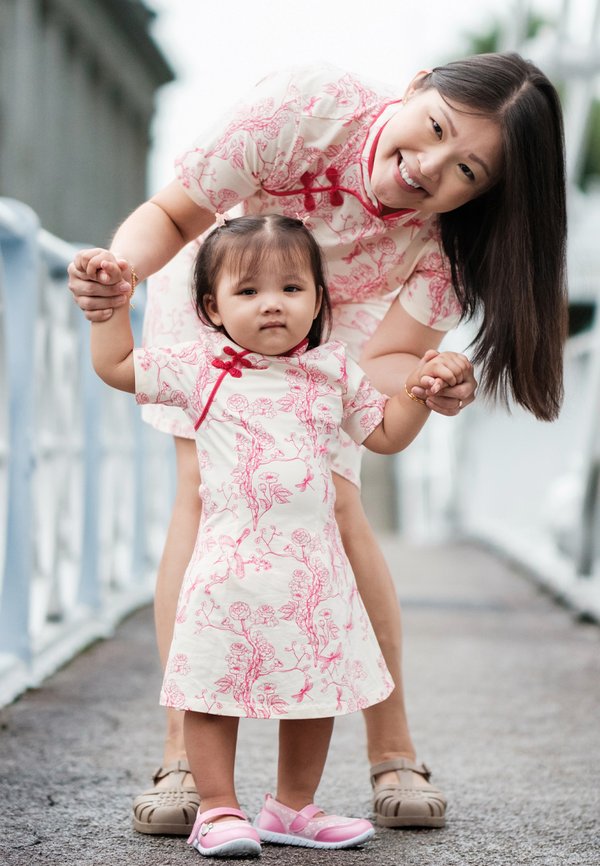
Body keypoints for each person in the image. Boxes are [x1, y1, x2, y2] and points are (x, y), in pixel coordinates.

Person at [68, 51, 567, 833]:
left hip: (336, 329)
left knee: (332, 503)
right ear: (415, 88)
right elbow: (172, 218)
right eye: (432, 128)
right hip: (225, 291)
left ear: (486, 192)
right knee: (207, 495)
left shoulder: (452, 245)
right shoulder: (310, 107)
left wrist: (431, 382)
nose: (426, 167)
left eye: (465, 169)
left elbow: (393, 360)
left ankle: (390, 744)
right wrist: (115, 278)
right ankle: (182, 755)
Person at [88, 213, 472, 857]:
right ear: (211, 307)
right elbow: (118, 365)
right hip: (228, 567)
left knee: (311, 690)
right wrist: (111, 309)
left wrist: (422, 390)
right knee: (213, 688)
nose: (273, 304)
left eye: (292, 289)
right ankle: (217, 808)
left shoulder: (333, 371)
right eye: (248, 292)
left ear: (319, 301)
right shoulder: (199, 368)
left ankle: (292, 807)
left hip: (312, 572)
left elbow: (385, 435)